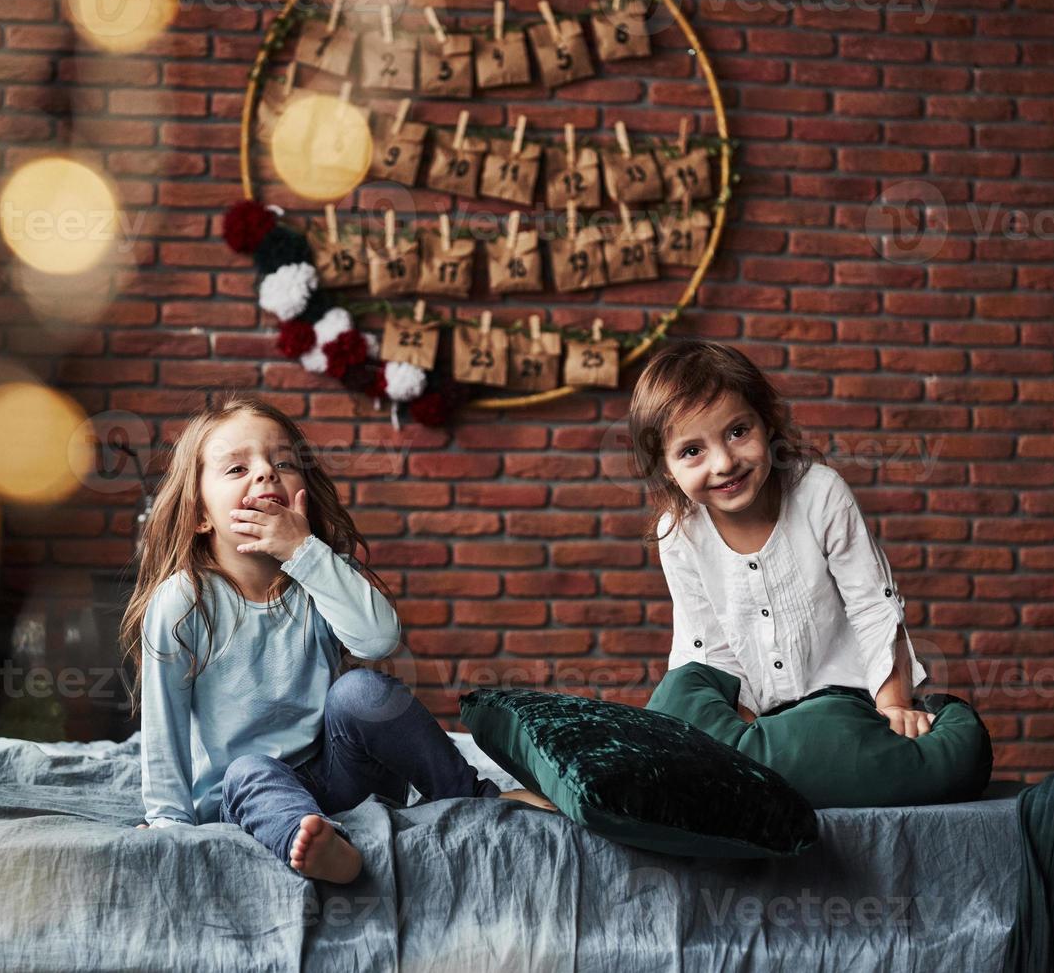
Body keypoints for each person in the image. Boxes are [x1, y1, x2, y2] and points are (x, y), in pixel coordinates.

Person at [120, 393, 552, 885]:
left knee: (362, 691)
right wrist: (169, 821)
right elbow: (164, 726)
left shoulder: (318, 572)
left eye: (282, 461)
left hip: (339, 774)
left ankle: (471, 795)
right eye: (237, 469)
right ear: (200, 514)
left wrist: (304, 553)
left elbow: (378, 640)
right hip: (249, 794)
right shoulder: (184, 601)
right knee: (247, 770)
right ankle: (317, 844)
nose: (265, 474)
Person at [628, 339, 933, 739]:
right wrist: (750, 742)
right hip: (744, 715)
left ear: (767, 423)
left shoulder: (820, 494)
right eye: (691, 451)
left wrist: (895, 708)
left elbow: (873, 607)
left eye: (738, 431)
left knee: (951, 745)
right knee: (673, 709)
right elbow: (710, 650)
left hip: (844, 702)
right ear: (666, 468)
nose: (724, 463)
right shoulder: (679, 531)